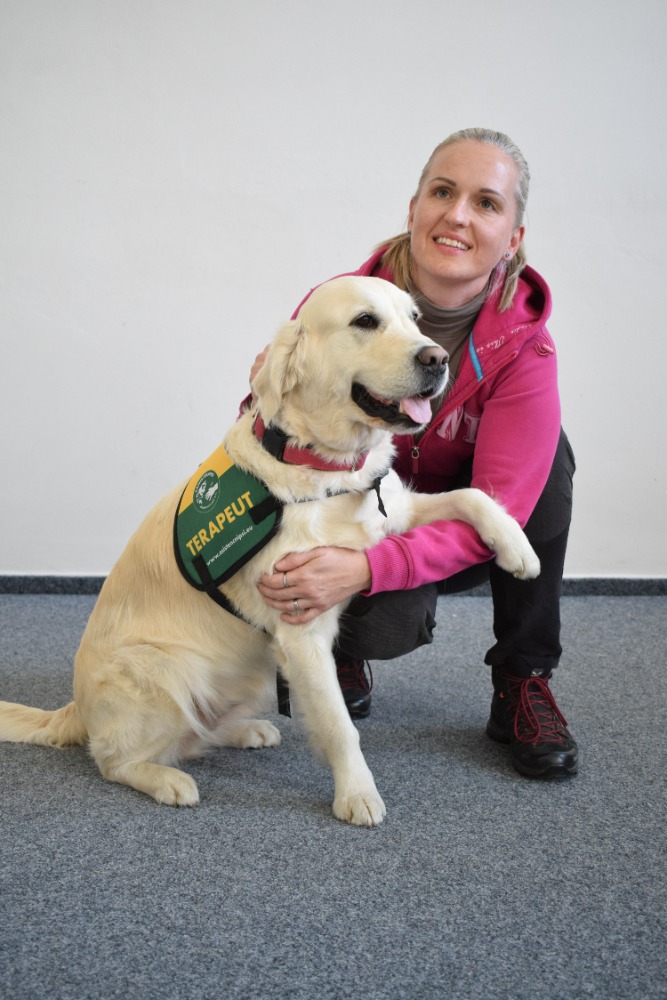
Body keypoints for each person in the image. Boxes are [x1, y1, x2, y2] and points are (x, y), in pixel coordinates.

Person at [254, 127, 578, 779]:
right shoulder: (339, 303)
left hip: (432, 526)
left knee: (547, 473)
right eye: (442, 192)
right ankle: (336, 645)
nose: (457, 215)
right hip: (345, 511)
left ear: (512, 237)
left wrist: (366, 570)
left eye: (486, 203)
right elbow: (269, 425)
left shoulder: (525, 347)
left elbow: (501, 507)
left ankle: (524, 680)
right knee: (377, 623)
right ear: (413, 209)